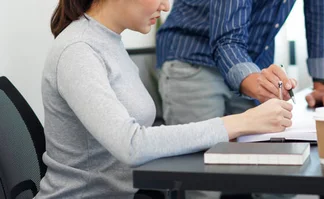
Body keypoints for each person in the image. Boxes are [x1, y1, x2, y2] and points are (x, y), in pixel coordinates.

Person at [36, 0, 293, 198]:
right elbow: (132, 145)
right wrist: (239, 122)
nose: (166, 6)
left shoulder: (108, 41)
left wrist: (228, 135)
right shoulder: (78, 50)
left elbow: (142, 135)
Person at [156, 0, 324, 126]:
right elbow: (227, 39)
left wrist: (323, 87)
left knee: (275, 168)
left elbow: (321, 14)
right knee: (201, 177)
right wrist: (259, 83)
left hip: (251, 62)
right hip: (193, 56)